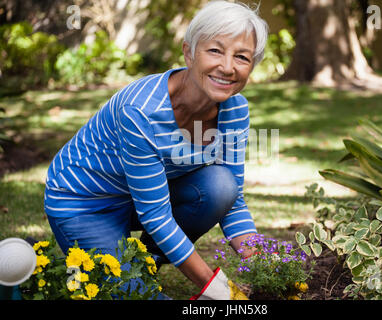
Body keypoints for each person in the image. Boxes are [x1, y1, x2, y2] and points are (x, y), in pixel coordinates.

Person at [44, 0, 268, 300]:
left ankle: (140, 265)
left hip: (144, 197)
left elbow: (233, 199)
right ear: (189, 52)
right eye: (215, 50)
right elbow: (156, 215)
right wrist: (217, 289)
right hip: (86, 203)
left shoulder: (235, 108)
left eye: (241, 57)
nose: (227, 67)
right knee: (138, 296)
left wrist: (267, 267)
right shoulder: (142, 111)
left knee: (220, 186)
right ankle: (101, 266)